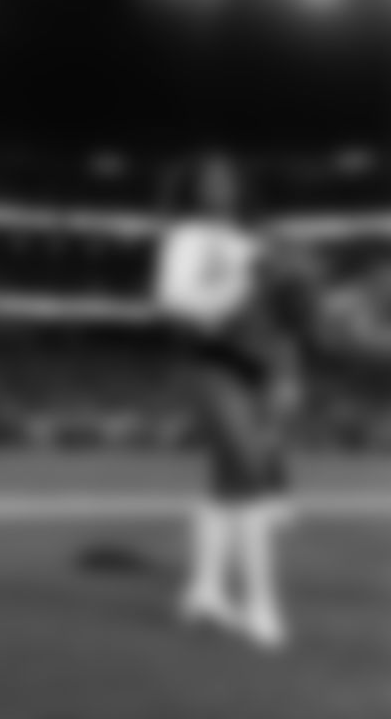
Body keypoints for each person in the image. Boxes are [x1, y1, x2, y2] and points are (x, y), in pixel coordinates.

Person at [156, 154, 315, 651]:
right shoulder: (185, 238)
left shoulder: (257, 240)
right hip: (209, 359)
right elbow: (175, 302)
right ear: (194, 189)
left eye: (228, 178)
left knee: (228, 481)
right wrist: (248, 277)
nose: (220, 186)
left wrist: (289, 372)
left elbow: (283, 319)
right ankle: (260, 607)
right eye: (208, 179)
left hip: (260, 368)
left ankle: (203, 592)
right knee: (249, 473)